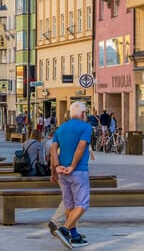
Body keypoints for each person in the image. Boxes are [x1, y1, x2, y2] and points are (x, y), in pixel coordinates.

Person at [48, 101, 92, 248]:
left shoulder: (61, 129)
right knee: (82, 204)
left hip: (62, 173)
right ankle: (65, 229)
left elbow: (53, 150)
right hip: (78, 171)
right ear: (83, 113)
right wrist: (72, 166)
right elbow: (81, 147)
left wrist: (56, 168)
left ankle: (74, 236)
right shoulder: (86, 127)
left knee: (69, 204)